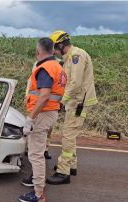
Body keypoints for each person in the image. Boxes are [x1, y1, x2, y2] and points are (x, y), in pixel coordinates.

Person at [18, 37, 66, 202]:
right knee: (37, 152)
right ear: (53, 50)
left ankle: (39, 195)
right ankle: (36, 183)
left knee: (35, 154)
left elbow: (44, 96)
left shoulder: (45, 68)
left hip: (42, 114)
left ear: (38, 52)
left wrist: (30, 118)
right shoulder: (58, 67)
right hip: (52, 112)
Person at [47, 30, 98, 184]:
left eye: (55, 48)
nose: (54, 52)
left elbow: (75, 83)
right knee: (70, 134)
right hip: (75, 101)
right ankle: (71, 166)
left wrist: (61, 101)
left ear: (61, 45)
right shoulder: (69, 57)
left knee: (67, 136)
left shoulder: (77, 56)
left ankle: (63, 172)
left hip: (79, 102)